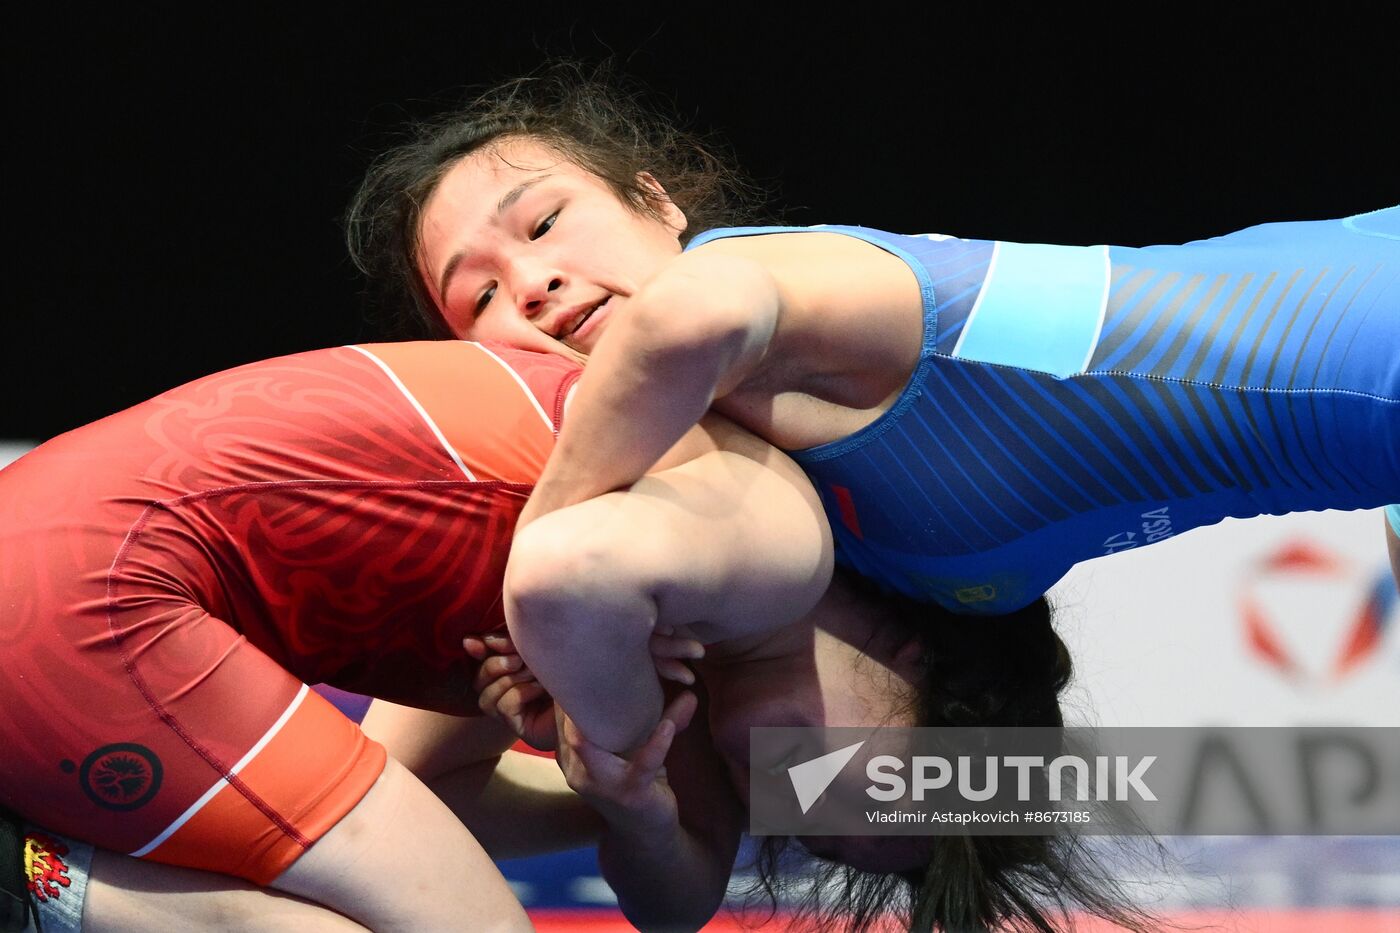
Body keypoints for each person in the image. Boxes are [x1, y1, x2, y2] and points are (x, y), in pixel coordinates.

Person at [0, 337, 1150, 932]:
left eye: (826, 838)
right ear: (917, 662)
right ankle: (26, 877)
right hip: (90, 593)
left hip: (72, 582)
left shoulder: (676, 627)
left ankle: (35, 872)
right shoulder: (768, 551)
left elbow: (415, 801)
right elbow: (562, 583)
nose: (792, 799)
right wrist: (617, 721)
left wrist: (622, 791)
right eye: (856, 788)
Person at [346, 64, 1400, 616]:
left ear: (658, 204)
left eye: (542, 224)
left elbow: (684, 320)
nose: (530, 284)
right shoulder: (706, 478)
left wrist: (534, 543)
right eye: (475, 296)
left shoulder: (762, 283)